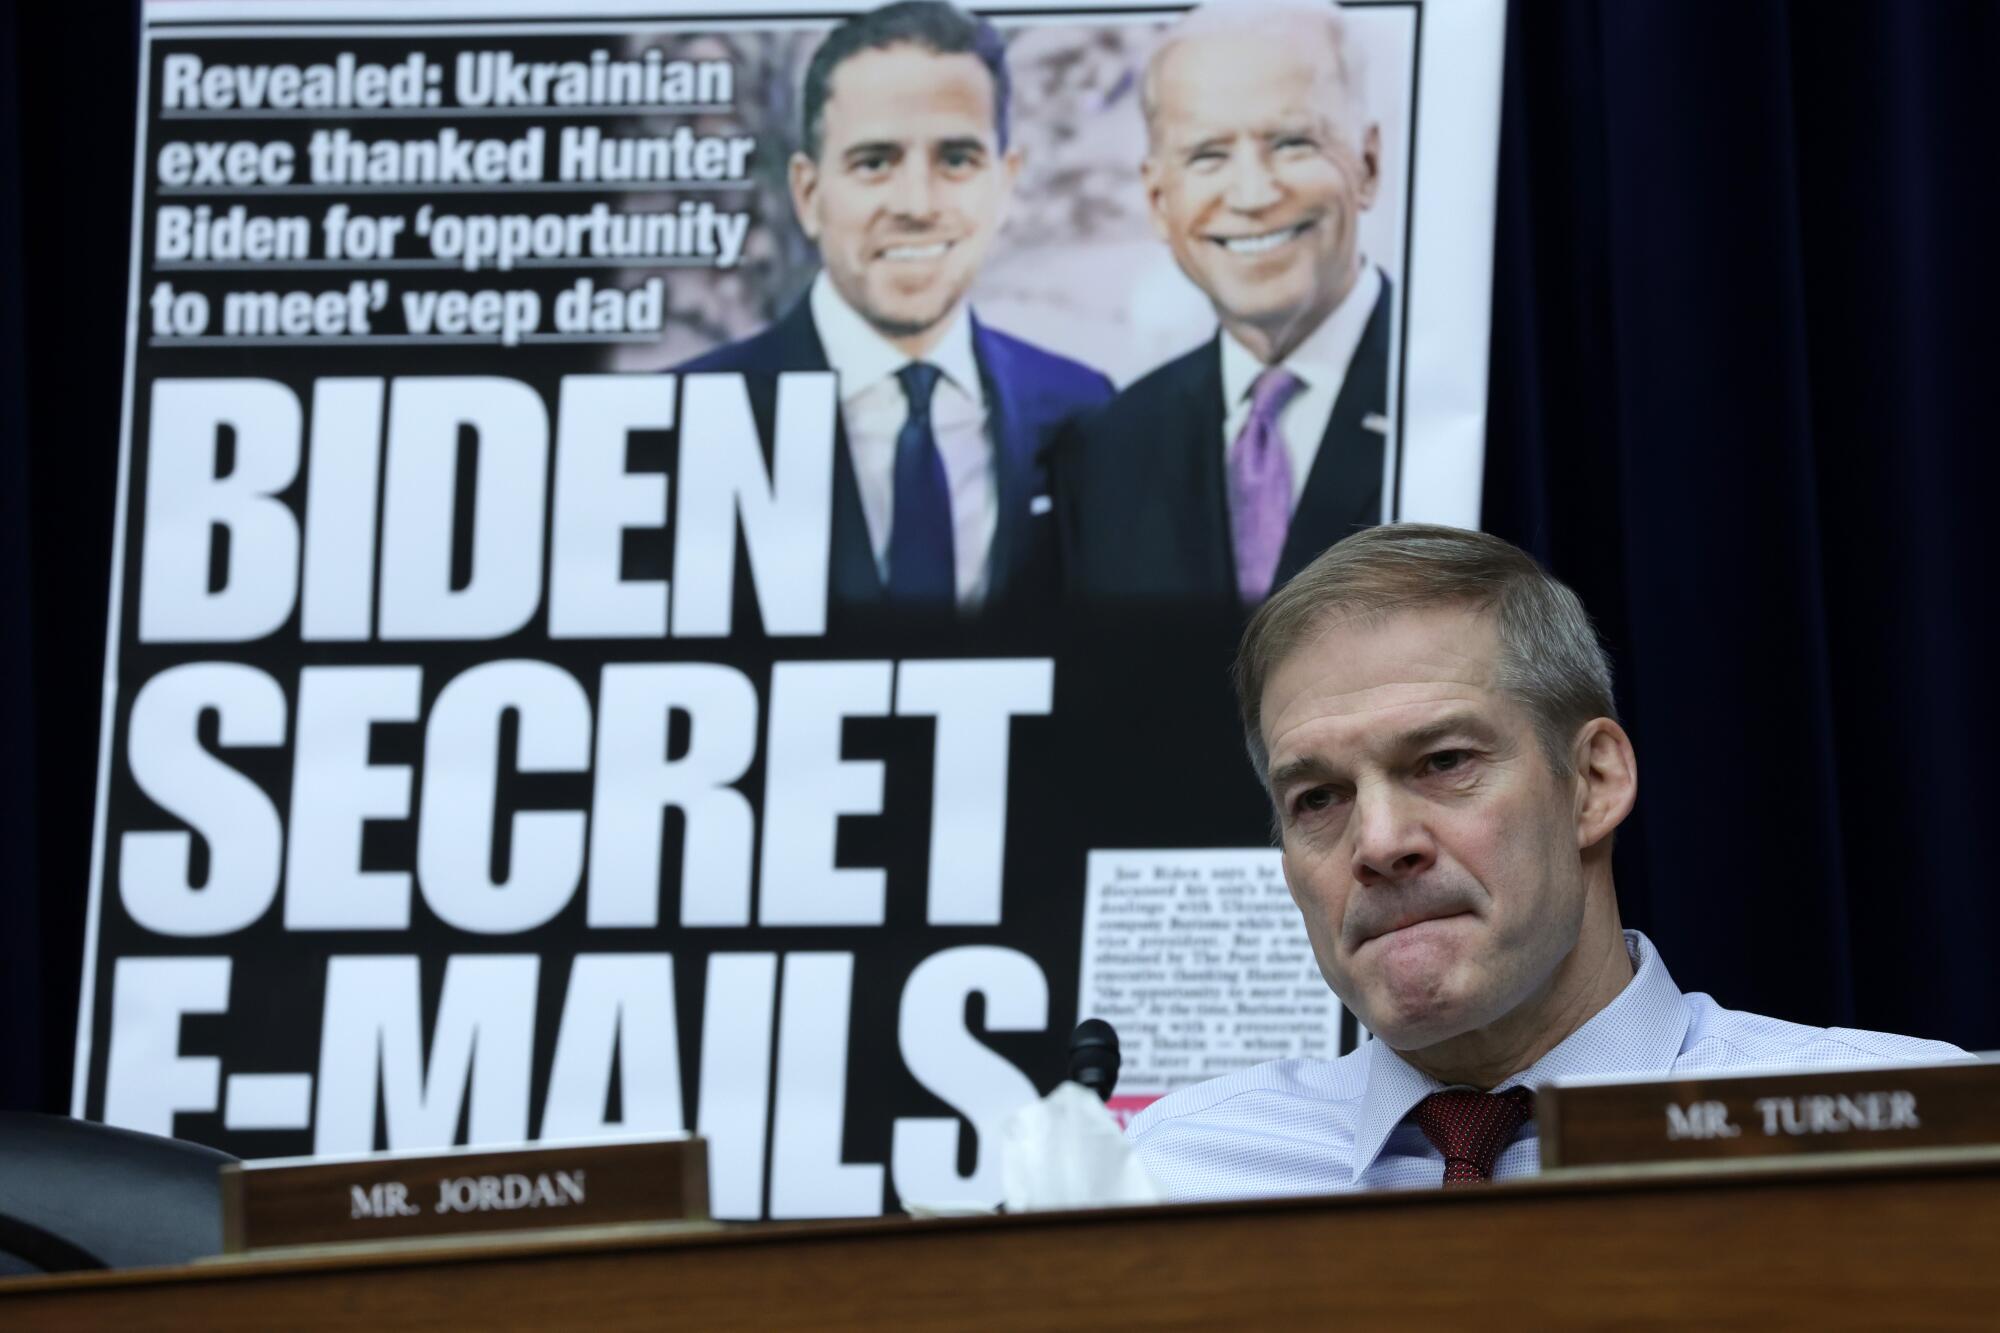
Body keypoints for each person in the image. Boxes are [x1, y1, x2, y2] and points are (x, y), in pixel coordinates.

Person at [1128, 524, 1966, 1198]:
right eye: (1318, 798)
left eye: (1445, 760)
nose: (1380, 842)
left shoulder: (1916, 1132)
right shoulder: (1166, 1175)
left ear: (1594, 782)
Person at [681, 0, 1112, 613]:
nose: (916, 203)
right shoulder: (689, 416)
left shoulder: (1085, 412)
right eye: (875, 162)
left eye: (957, 159)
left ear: (1005, 182)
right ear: (808, 193)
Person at [1053, 0, 1391, 605]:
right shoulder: (1107, 451)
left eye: (1292, 142)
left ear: (1367, 164)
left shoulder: (1467, 400)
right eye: (1208, 155)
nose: (1253, 193)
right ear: (1159, 200)